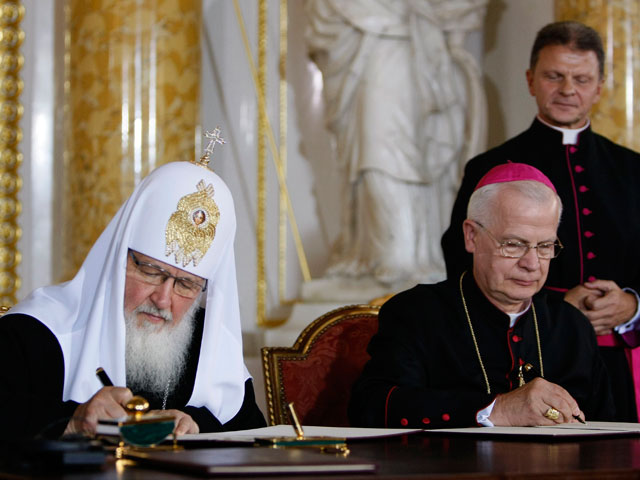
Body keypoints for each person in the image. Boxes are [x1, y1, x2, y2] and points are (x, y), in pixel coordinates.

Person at [441, 21, 640, 422]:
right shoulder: (490, 167)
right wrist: (550, 308)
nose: (568, 89)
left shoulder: (633, 169)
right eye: (554, 76)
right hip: (525, 358)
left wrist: (633, 304)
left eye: (581, 79)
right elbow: (462, 262)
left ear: (599, 87)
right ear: (531, 80)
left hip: (620, 364)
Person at [0, 159, 266, 440]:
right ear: (120, 258)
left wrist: (198, 424)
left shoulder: (211, 347)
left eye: (186, 285)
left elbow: (255, 440)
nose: (163, 300)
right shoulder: (38, 331)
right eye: (151, 272)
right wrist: (74, 421)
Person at [349, 163, 614, 428]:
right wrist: (498, 409)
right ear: (472, 236)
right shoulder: (417, 313)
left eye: (545, 246)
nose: (532, 264)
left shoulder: (572, 326)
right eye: (514, 244)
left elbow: (609, 428)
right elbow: (371, 406)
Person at [305, 0, 487, 288]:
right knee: (376, 155)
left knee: (422, 161)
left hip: (426, 52)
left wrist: (446, 23)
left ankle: (418, 255)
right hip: (372, 50)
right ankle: (388, 252)